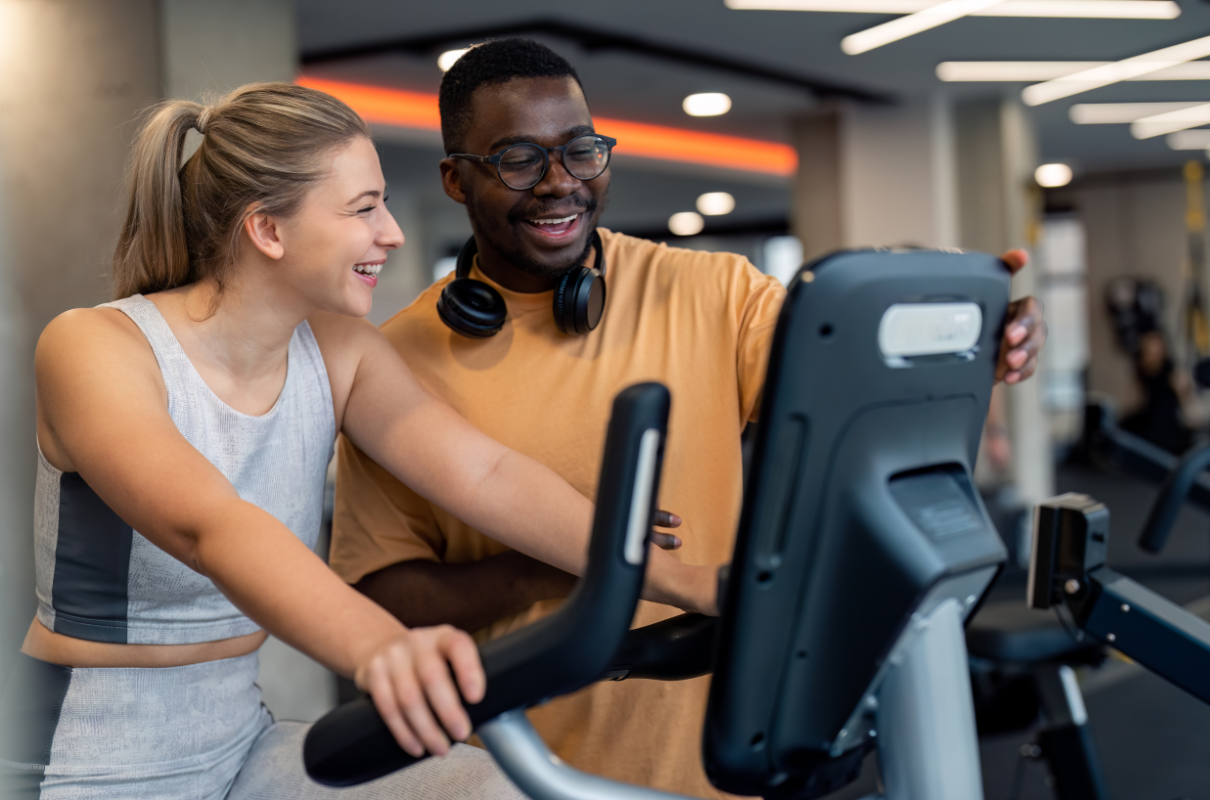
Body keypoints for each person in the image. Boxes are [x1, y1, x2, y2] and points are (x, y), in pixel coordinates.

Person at [329, 38, 1049, 798]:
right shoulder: (392, 361)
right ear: (454, 179)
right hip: (524, 773)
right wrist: (558, 566)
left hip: (727, 752)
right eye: (516, 159)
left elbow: (846, 397)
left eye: (581, 151)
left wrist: (962, 343)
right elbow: (380, 598)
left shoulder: (712, 291)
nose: (559, 183)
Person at [0, 81, 717, 800]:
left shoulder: (338, 349)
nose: (394, 232)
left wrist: (702, 586)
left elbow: (485, 475)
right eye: (364, 208)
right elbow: (209, 526)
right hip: (85, 754)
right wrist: (382, 649)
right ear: (269, 230)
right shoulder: (96, 346)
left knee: (489, 789)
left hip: (241, 740)